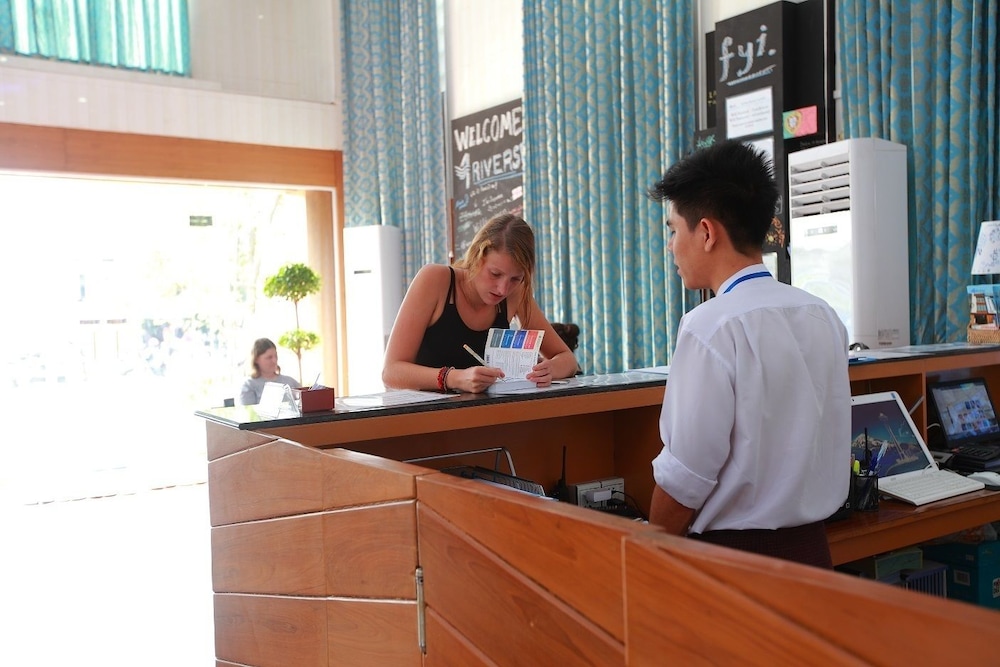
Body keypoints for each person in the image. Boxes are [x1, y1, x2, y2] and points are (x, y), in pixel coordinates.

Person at [645, 139, 850, 568]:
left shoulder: (709, 326)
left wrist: (646, 551)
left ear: (706, 233)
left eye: (673, 230)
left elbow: (686, 477)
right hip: (815, 554)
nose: (670, 246)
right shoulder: (822, 314)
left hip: (737, 563)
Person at [382, 213, 578, 393]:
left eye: (515, 279)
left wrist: (549, 369)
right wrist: (454, 378)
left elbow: (567, 360)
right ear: (476, 256)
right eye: (495, 274)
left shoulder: (516, 294)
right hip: (428, 416)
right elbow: (391, 372)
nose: (503, 289)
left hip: (484, 415)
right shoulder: (435, 280)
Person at [238, 337, 301, 405]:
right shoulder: (249, 386)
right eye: (269, 357)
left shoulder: (291, 382)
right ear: (256, 359)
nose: (274, 360)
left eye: (275, 356)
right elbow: (248, 410)